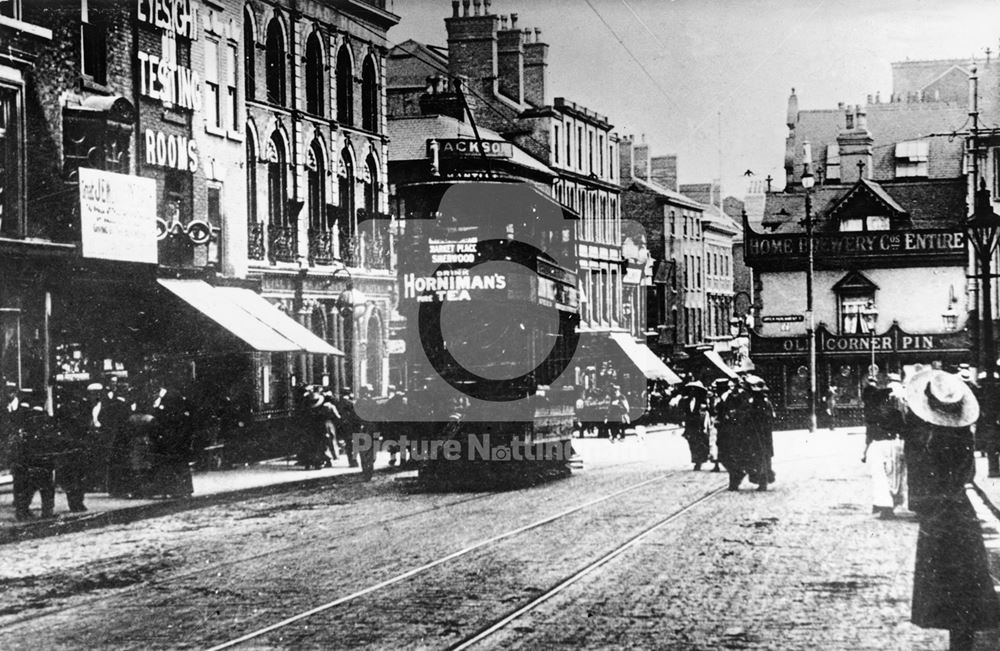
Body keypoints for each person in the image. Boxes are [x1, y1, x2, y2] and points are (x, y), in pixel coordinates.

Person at [905, 369, 1000, 650]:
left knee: (942, 585)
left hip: (936, 518)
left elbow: (918, 485)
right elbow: (967, 473)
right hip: (962, 513)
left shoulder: (922, 436)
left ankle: (956, 637)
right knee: (968, 585)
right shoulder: (961, 436)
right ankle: (963, 641)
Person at [861, 384, 906, 519]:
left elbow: (869, 435)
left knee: (880, 476)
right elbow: (903, 431)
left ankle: (884, 506)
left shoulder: (871, 414)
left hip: (878, 445)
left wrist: (865, 451)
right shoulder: (895, 412)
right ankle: (891, 503)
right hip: (894, 444)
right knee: (894, 476)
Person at [9, 403, 59, 520]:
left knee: (29, 489)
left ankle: (23, 512)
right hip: (39, 464)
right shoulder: (41, 430)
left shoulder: (26, 429)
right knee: (45, 489)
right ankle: (45, 512)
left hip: (31, 464)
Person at [681, 381, 710, 470]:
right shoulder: (686, 401)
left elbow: (705, 414)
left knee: (699, 442)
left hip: (699, 425)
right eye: (691, 390)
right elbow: (684, 412)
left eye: (694, 390)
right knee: (692, 443)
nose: (692, 391)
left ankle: (698, 461)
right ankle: (695, 459)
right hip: (689, 425)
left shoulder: (703, 402)